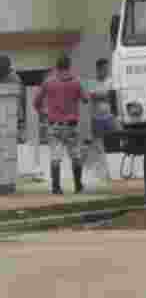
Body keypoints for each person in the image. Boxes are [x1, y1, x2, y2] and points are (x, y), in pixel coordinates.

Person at [33, 54, 88, 195]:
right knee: (75, 156)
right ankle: (78, 186)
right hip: (71, 126)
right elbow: (86, 99)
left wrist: (44, 112)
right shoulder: (76, 81)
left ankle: (56, 188)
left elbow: (36, 103)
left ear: (56, 67)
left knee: (55, 157)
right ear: (69, 66)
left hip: (54, 125)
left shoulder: (48, 82)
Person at [84, 58, 114, 184]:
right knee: (98, 146)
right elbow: (91, 97)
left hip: (110, 117)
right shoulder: (92, 83)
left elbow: (110, 97)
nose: (106, 71)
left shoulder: (111, 81)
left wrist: (99, 96)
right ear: (99, 69)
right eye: (104, 69)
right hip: (96, 119)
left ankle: (108, 172)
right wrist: (104, 96)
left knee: (116, 143)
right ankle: (104, 174)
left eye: (107, 68)